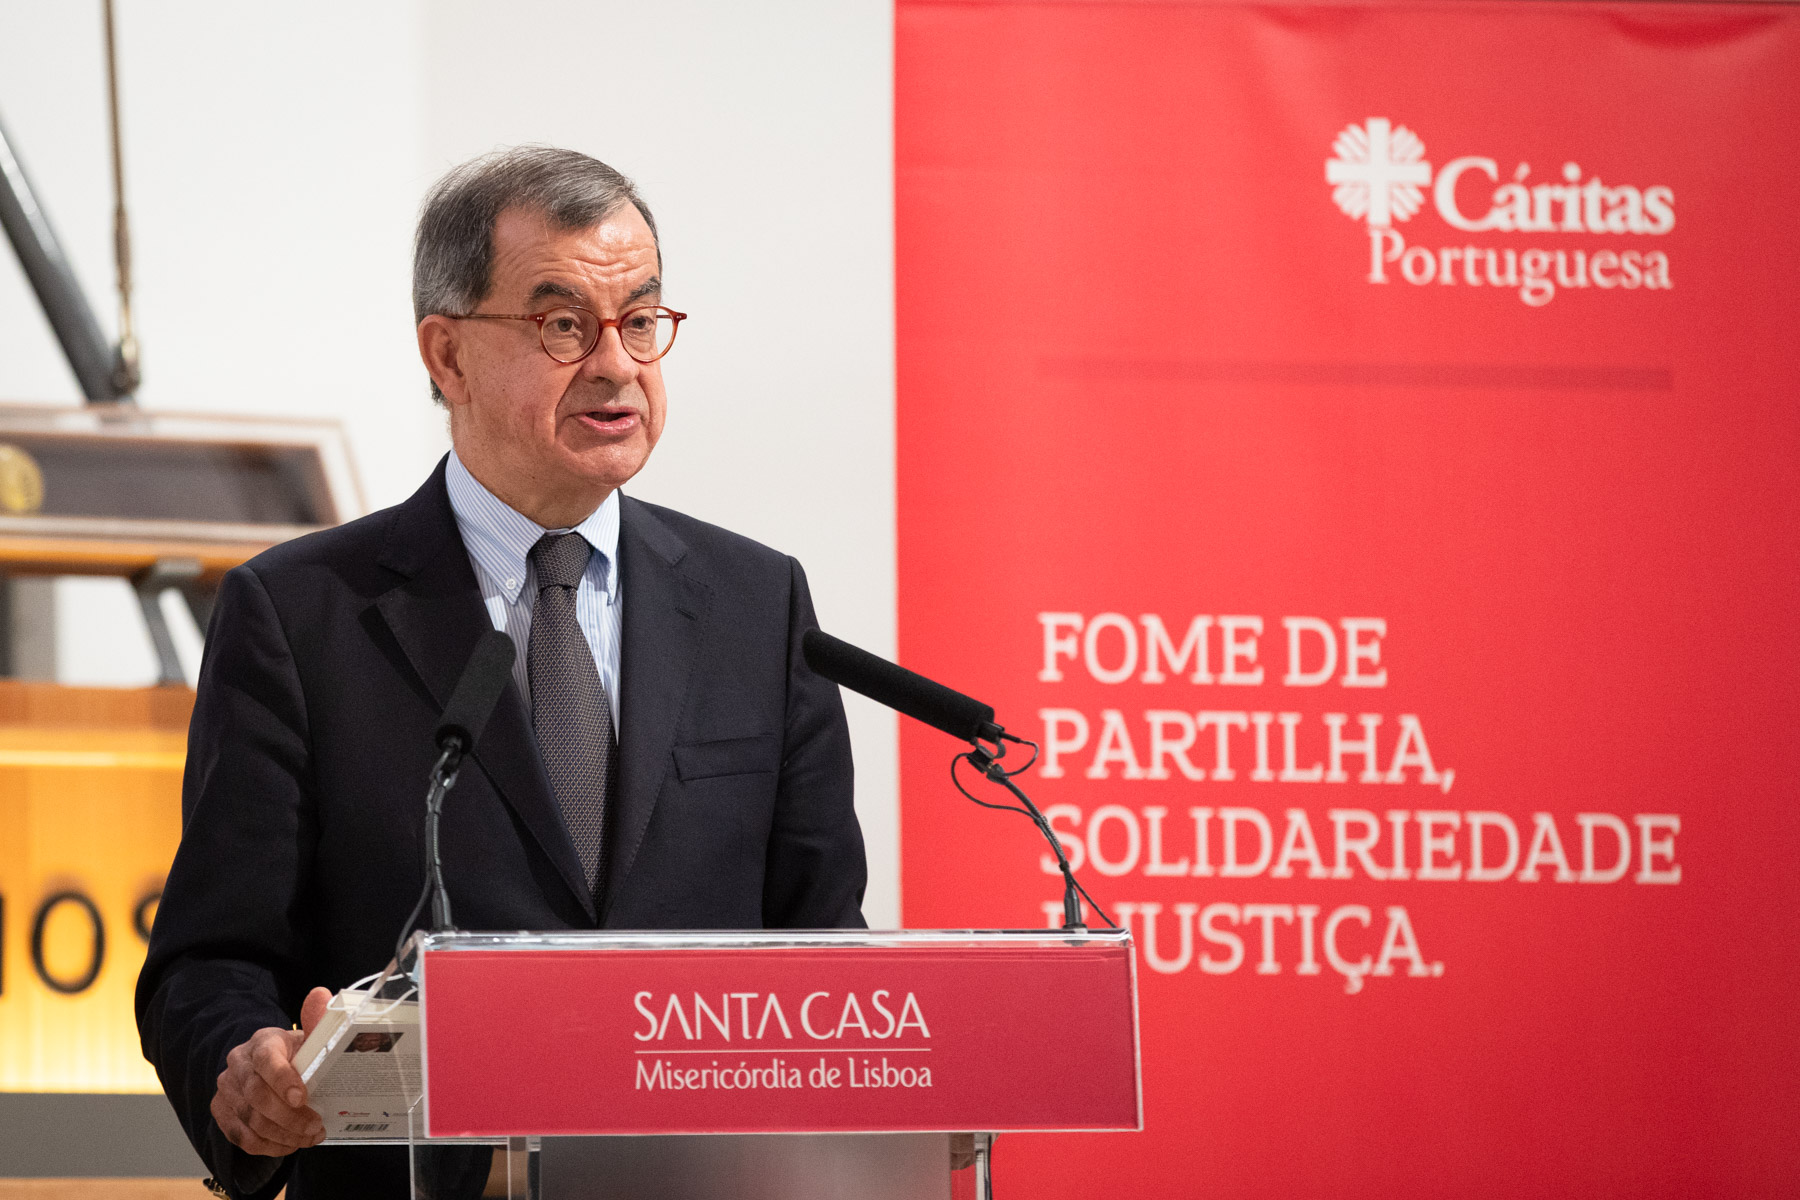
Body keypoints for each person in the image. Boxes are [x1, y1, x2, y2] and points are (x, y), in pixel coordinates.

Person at [136, 147, 867, 1199]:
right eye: (564, 325)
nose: (616, 365)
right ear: (447, 355)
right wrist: (245, 1065)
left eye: (641, 320)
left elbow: (827, 955)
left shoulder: (758, 604)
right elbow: (208, 960)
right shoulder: (300, 616)